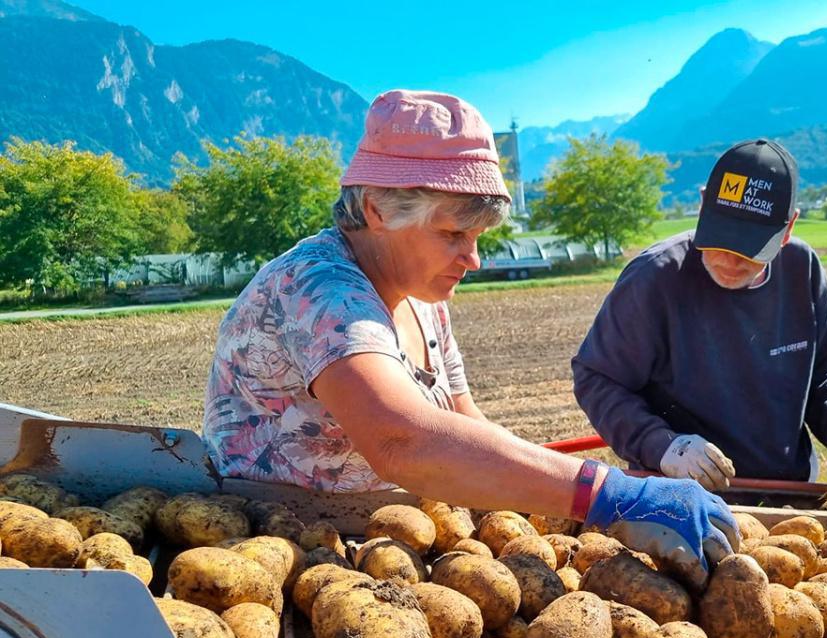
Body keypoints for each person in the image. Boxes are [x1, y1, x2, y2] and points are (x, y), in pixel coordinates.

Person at [202, 90, 737, 587]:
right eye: (453, 233)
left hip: (384, 547)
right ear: (377, 211)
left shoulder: (420, 295)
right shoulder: (319, 290)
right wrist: (610, 493)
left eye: (477, 236)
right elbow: (403, 440)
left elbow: (464, 426)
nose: (474, 258)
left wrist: (571, 504)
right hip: (274, 557)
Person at [572, 138, 827, 491]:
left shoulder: (803, 270)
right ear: (704, 203)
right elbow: (597, 379)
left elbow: (823, 370)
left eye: (750, 249)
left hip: (791, 495)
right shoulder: (655, 279)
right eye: (720, 240)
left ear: (788, 229)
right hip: (685, 496)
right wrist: (665, 447)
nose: (730, 260)